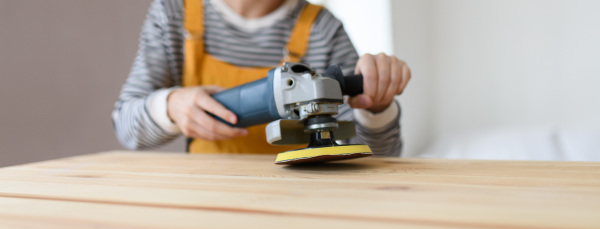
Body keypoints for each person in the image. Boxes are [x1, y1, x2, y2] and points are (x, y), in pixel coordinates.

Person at [112, 0, 411, 156]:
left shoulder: (322, 30)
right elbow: (126, 126)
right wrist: (171, 106)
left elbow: (379, 156)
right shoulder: (173, 12)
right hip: (203, 201)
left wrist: (376, 109)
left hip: (296, 204)